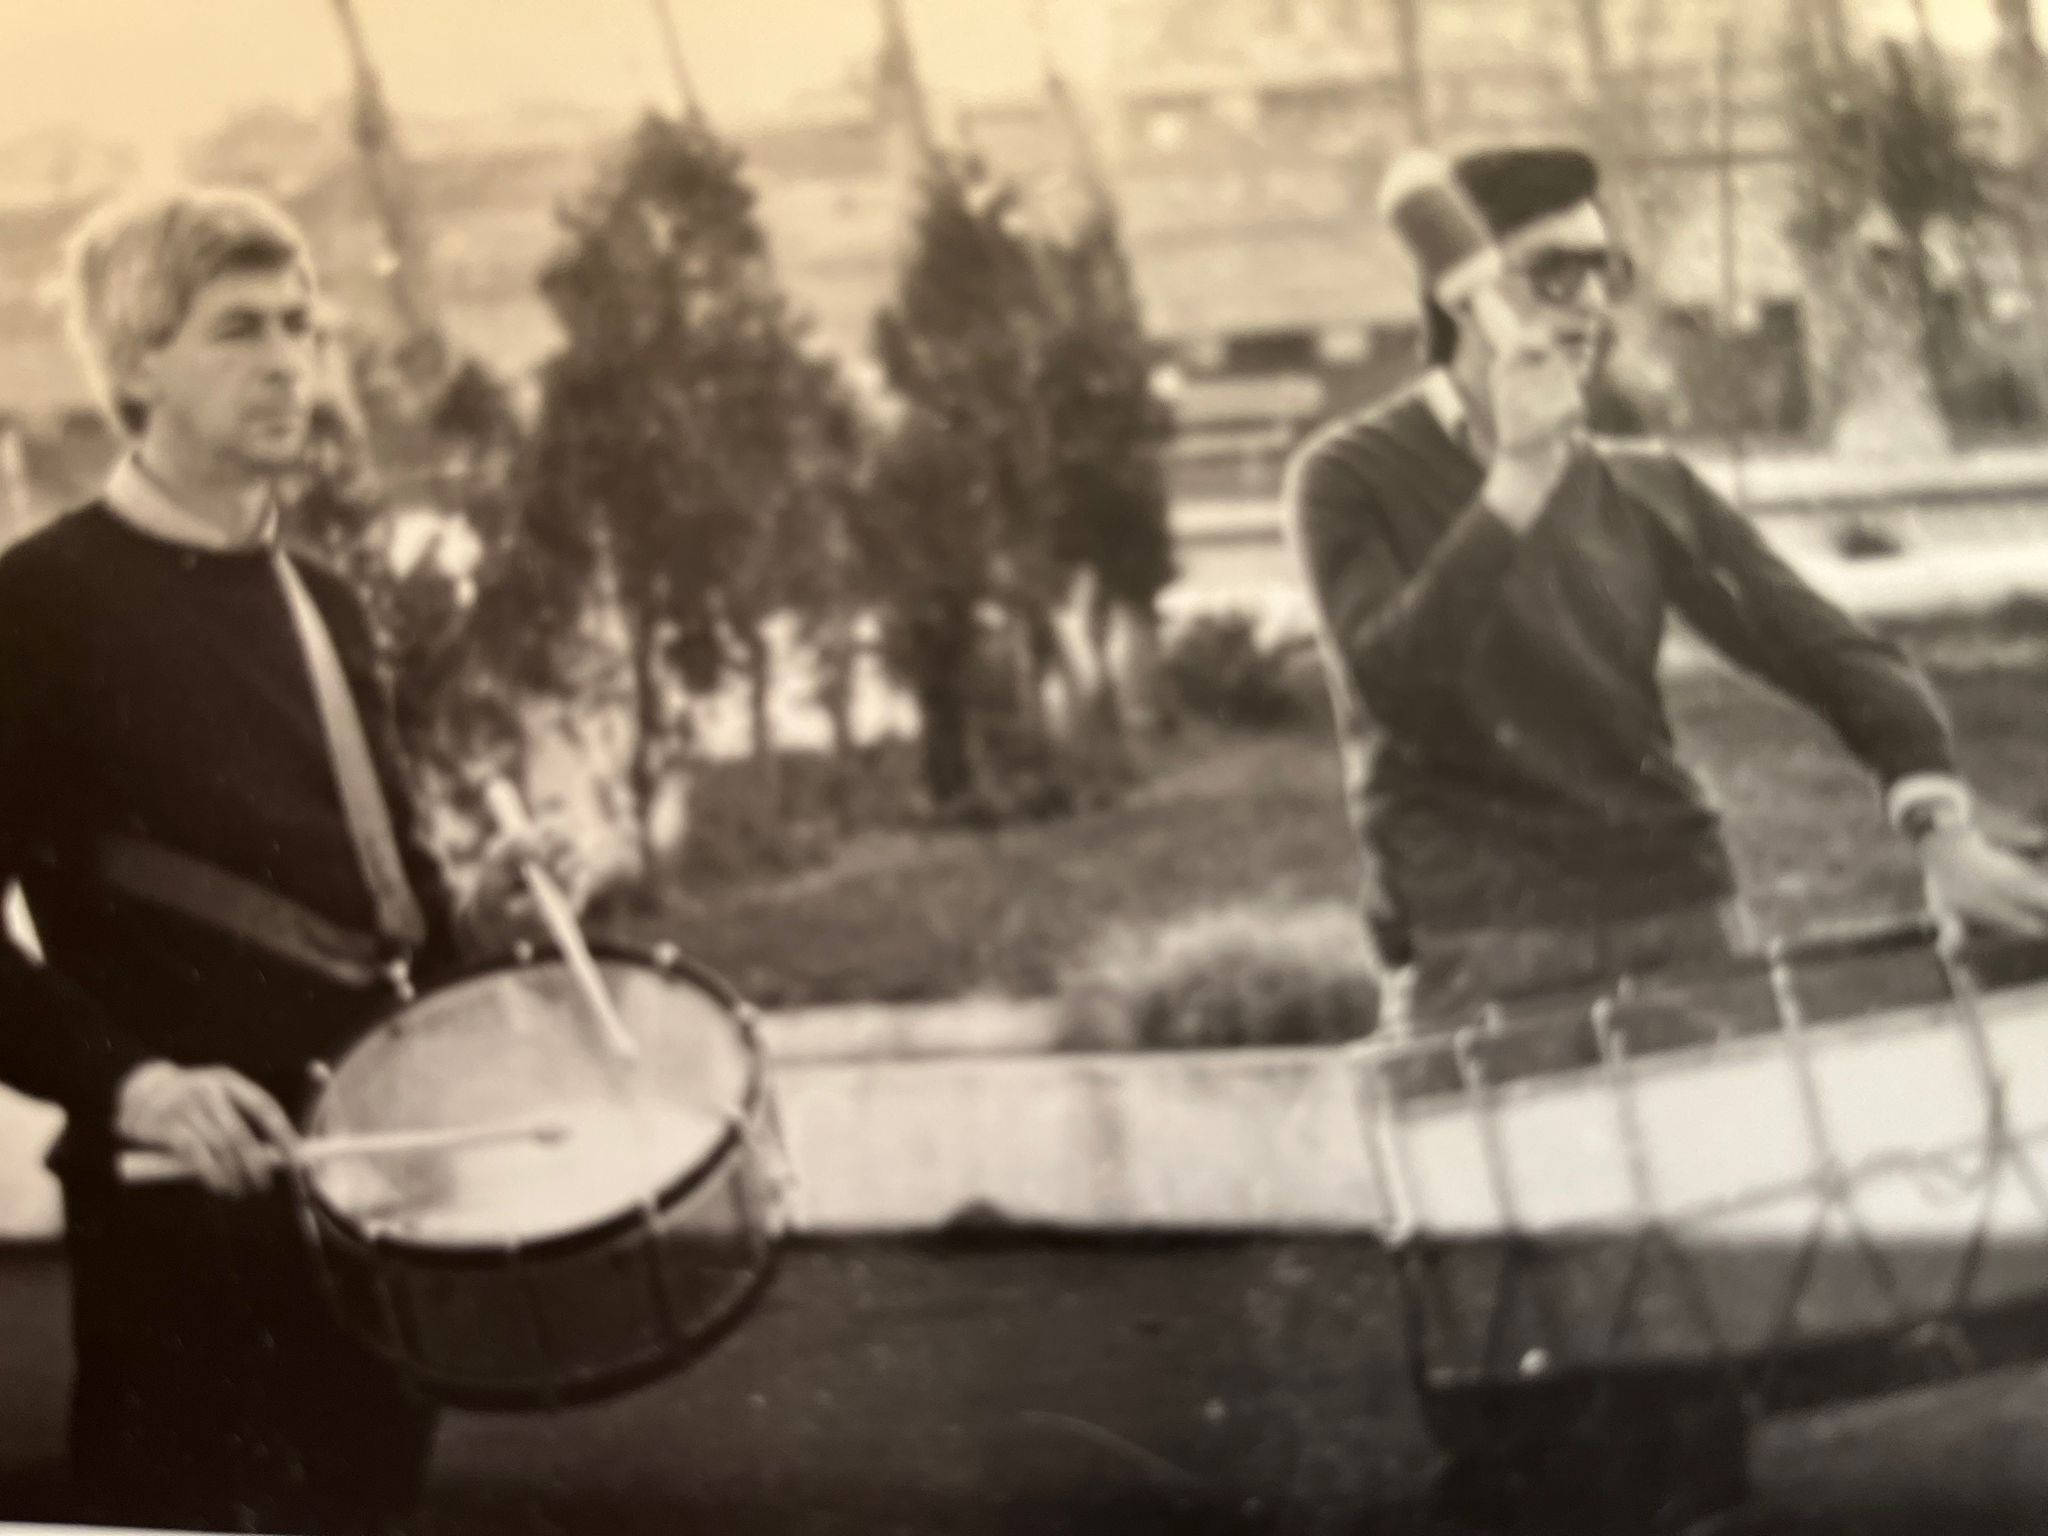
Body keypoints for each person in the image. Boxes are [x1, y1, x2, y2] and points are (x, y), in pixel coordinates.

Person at [1285, 146, 2048, 1531]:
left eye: (1605, 269)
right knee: (1524, 1381)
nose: (1591, 300)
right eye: (1551, 272)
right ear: (1462, 295)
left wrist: (1937, 821)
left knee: (1696, 1376)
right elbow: (1398, 683)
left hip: (1678, 926)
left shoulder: (1644, 484)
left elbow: (1835, 653)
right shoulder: (1352, 475)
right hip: (1483, 950)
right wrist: (1516, 480)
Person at [0, 186, 568, 1534]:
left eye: (302, 328)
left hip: (369, 1202)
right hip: (180, 1224)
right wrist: (134, 1085)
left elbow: (394, 925)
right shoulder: (34, 609)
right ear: (138, 364)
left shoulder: (327, 604)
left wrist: (483, 916)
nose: (288, 363)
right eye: (239, 329)